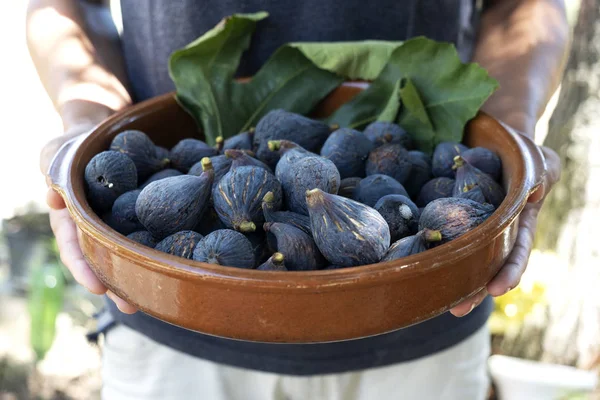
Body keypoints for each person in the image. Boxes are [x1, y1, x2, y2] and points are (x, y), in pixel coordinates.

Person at [27, 0, 565, 399]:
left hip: (423, 321)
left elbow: (526, 9)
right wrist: (86, 122)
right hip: (171, 324)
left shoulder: (342, 191)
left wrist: (514, 131)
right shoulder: (204, 200)